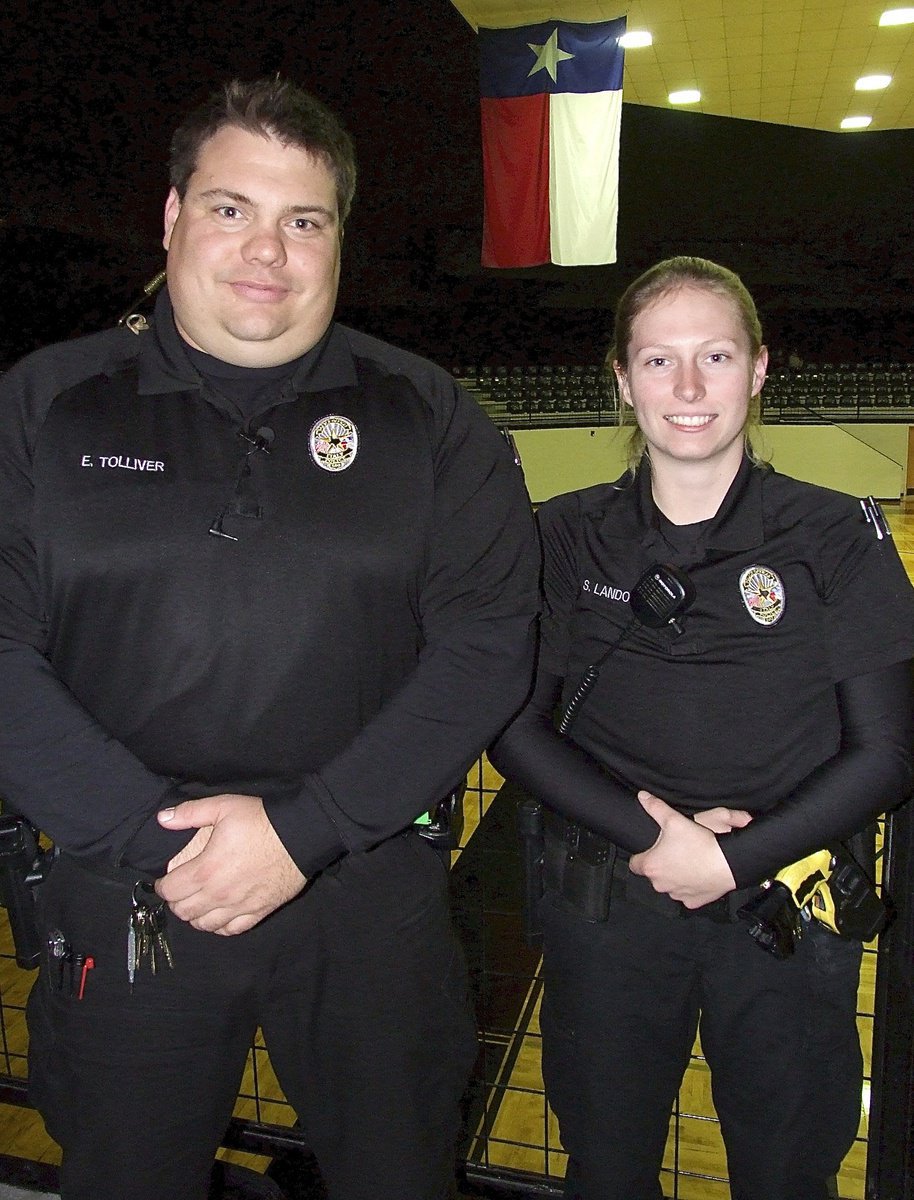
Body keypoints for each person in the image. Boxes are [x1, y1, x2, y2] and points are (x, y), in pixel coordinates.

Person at [0, 78, 539, 1200]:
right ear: (171, 218)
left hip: (368, 887)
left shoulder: (429, 416)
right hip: (131, 886)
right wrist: (161, 847)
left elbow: (486, 645)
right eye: (231, 209)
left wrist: (310, 829)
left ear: (338, 239)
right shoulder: (43, 407)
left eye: (304, 221)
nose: (268, 250)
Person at [489, 256, 914, 1200]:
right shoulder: (560, 536)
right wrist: (661, 839)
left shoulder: (836, 534)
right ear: (621, 377)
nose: (687, 388)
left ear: (759, 369)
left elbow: (887, 751)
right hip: (609, 909)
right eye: (658, 360)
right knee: (607, 1162)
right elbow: (512, 727)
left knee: (788, 1168)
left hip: (781, 911)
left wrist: (733, 859)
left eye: (715, 356)